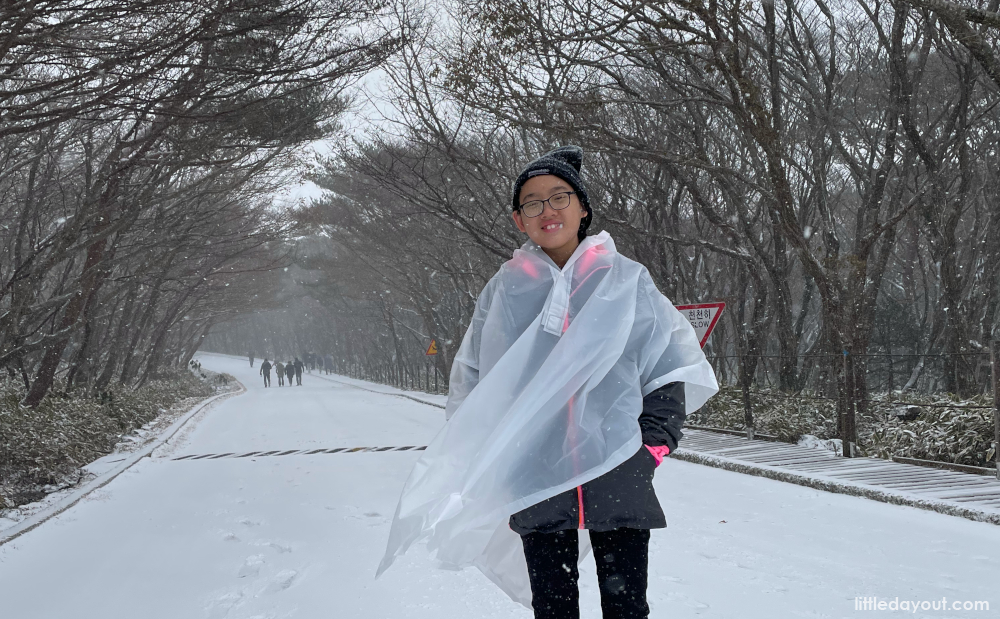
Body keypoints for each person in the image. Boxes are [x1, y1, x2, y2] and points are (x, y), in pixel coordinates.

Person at [377, 146, 719, 619]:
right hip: (536, 475)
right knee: (553, 607)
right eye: (532, 202)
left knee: (627, 605)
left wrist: (652, 445)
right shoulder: (505, 289)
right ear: (520, 220)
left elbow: (667, 361)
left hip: (617, 465)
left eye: (559, 197)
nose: (547, 210)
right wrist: (494, 455)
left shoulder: (625, 280)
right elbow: (477, 377)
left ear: (582, 209)